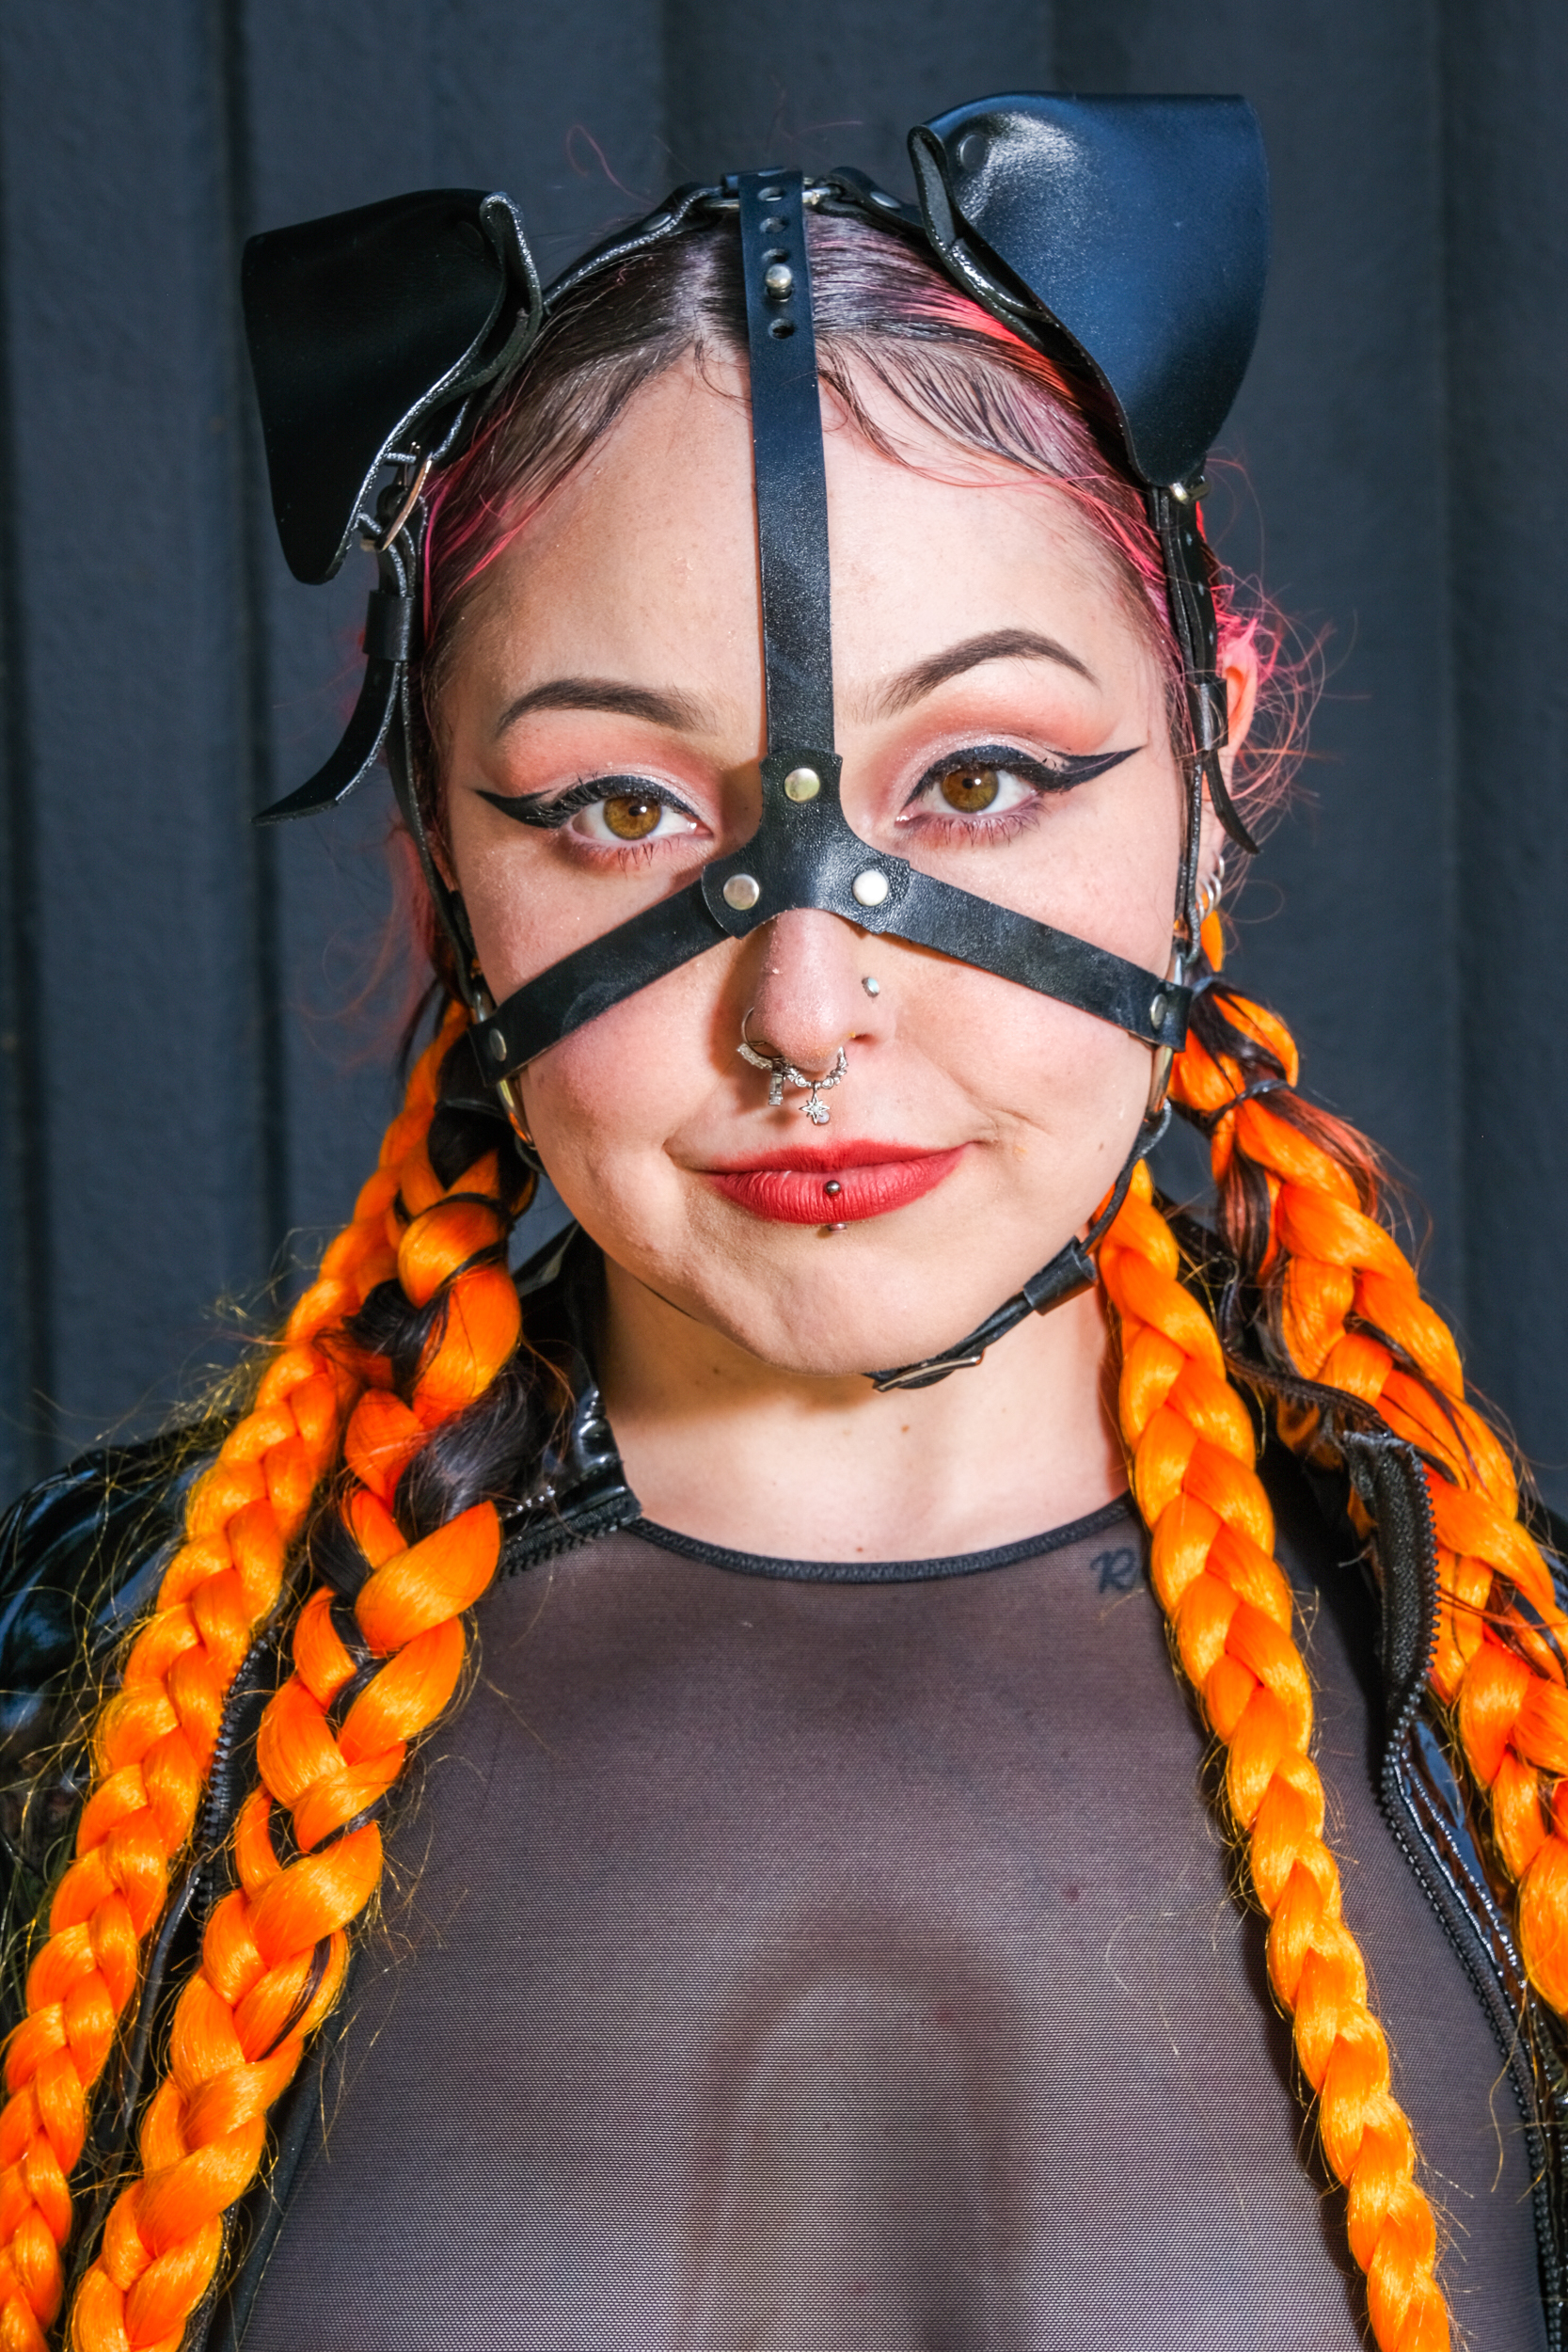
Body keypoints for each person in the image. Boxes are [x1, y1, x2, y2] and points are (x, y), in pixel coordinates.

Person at [0, 93, 1560, 2352]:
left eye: (988, 781)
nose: (806, 1008)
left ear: (1212, 771)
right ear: (445, 858)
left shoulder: (1530, 1740)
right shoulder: (94, 1715)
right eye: (621, 808)